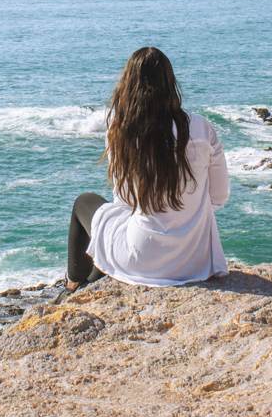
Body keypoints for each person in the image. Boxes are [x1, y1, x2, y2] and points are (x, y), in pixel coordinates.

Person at [64, 46, 229, 291]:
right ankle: (87, 279)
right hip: (196, 263)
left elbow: (125, 201)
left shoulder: (121, 133)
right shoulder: (202, 128)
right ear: (170, 83)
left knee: (84, 203)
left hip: (142, 259)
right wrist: (186, 212)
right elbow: (219, 197)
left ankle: (73, 285)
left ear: (128, 85)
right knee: (111, 227)